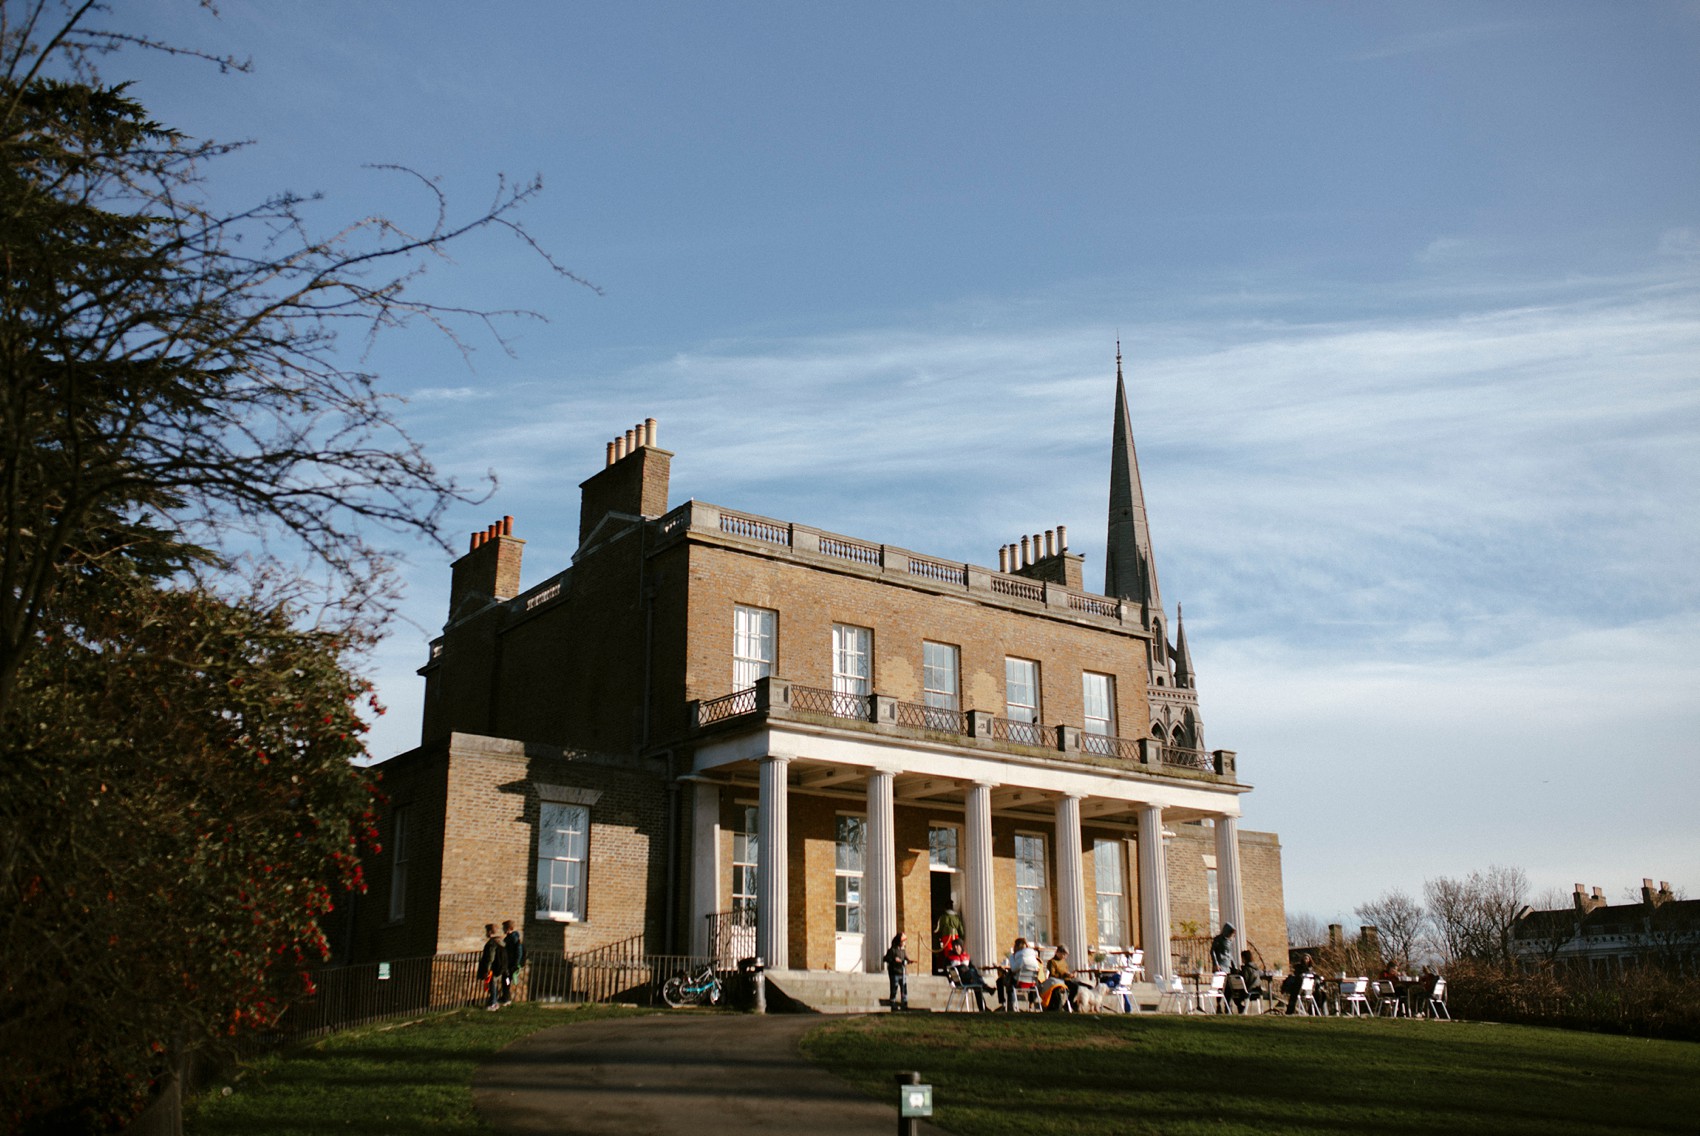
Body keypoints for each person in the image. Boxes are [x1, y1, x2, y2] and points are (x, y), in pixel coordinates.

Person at [997, 936, 1039, 1010]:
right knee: (1009, 980)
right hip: (1032, 983)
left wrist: (1011, 957)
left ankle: (1007, 1004)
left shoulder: (1021, 956)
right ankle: (1030, 1004)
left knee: (1001, 981)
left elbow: (1013, 969)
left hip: (1020, 982)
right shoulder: (1033, 957)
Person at [477, 923, 508, 1011]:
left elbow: (490, 957)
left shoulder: (492, 943)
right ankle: (494, 1001)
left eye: (486, 931)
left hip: (493, 967)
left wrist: (487, 969)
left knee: (492, 984)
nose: (486, 933)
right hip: (500, 967)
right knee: (494, 984)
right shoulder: (501, 942)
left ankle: (493, 1003)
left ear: (490, 931)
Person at [1042, 944, 1080, 1011]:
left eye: (1066, 955)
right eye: (1064, 954)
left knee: (1075, 986)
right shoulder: (1052, 962)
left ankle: (1068, 1004)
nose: (1065, 957)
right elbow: (1052, 974)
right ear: (1058, 953)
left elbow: (1066, 970)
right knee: (1057, 990)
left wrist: (1071, 974)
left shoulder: (1063, 961)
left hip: (1065, 980)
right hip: (1056, 981)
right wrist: (1064, 975)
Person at [882, 931, 911, 1010]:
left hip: (902, 973)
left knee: (904, 989)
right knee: (894, 988)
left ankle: (904, 1003)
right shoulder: (893, 950)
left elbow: (906, 958)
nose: (905, 943)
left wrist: (909, 961)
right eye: (903, 941)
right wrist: (894, 959)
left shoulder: (903, 951)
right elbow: (886, 958)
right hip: (894, 973)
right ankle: (893, 1002)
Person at [1229, 949, 1265, 1013]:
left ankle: (1240, 1008)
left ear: (1244, 958)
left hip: (1247, 990)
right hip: (1257, 989)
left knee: (1233, 992)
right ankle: (1241, 1008)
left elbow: (1245, 979)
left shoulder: (1246, 969)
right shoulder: (1256, 968)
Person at [500, 919, 524, 1004]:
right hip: (508, 963)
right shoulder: (510, 938)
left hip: (511, 964)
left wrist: (516, 963)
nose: (503, 929)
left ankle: (506, 998)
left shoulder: (513, 938)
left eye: (504, 928)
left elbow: (518, 951)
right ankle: (506, 997)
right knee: (506, 980)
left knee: (506, 980)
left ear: (509, 928)